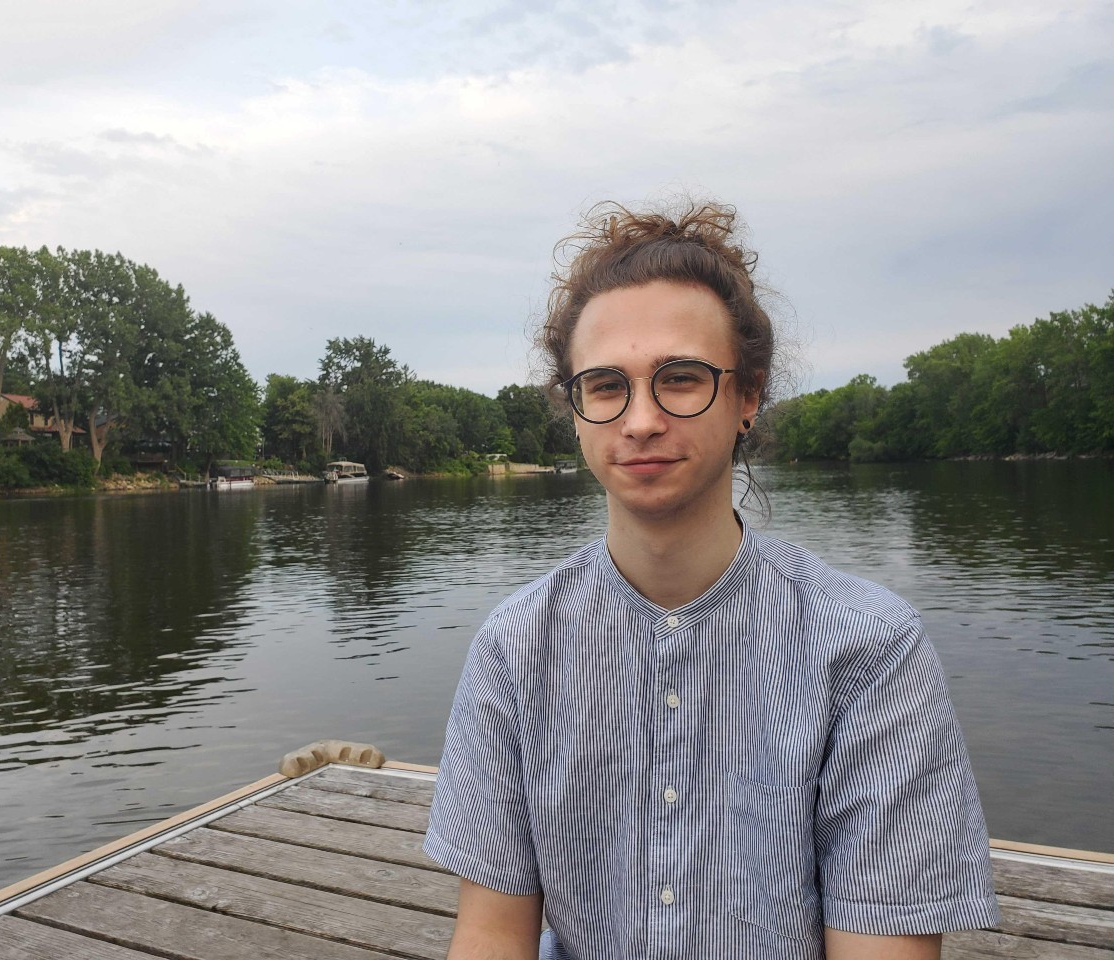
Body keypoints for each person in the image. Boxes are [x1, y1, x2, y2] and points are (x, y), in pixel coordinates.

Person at [422, 201, 1001, 960]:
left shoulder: (869, 650)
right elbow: (493, 936)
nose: (640, 420)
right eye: (605, 386)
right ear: (576, 411)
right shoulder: (514, 648)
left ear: (748, 396)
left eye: (681, 378)